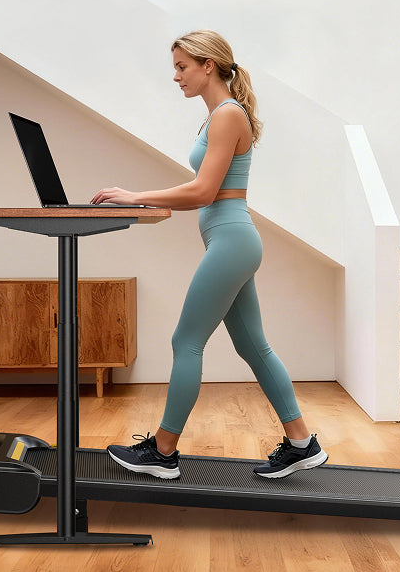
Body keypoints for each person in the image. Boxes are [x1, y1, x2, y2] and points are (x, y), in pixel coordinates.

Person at [91, 30, 326, 480]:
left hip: (232, 241)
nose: (175, 76)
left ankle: (163, 452)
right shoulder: (218, 115)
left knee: (186, 341)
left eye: (181, 67)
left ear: (208, 66)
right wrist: (143, 200)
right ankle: (301, 442)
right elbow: (202, 191)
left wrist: (135, 196)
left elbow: (202, 191)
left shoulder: (227, 115)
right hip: (231, 239)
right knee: (253, 345)